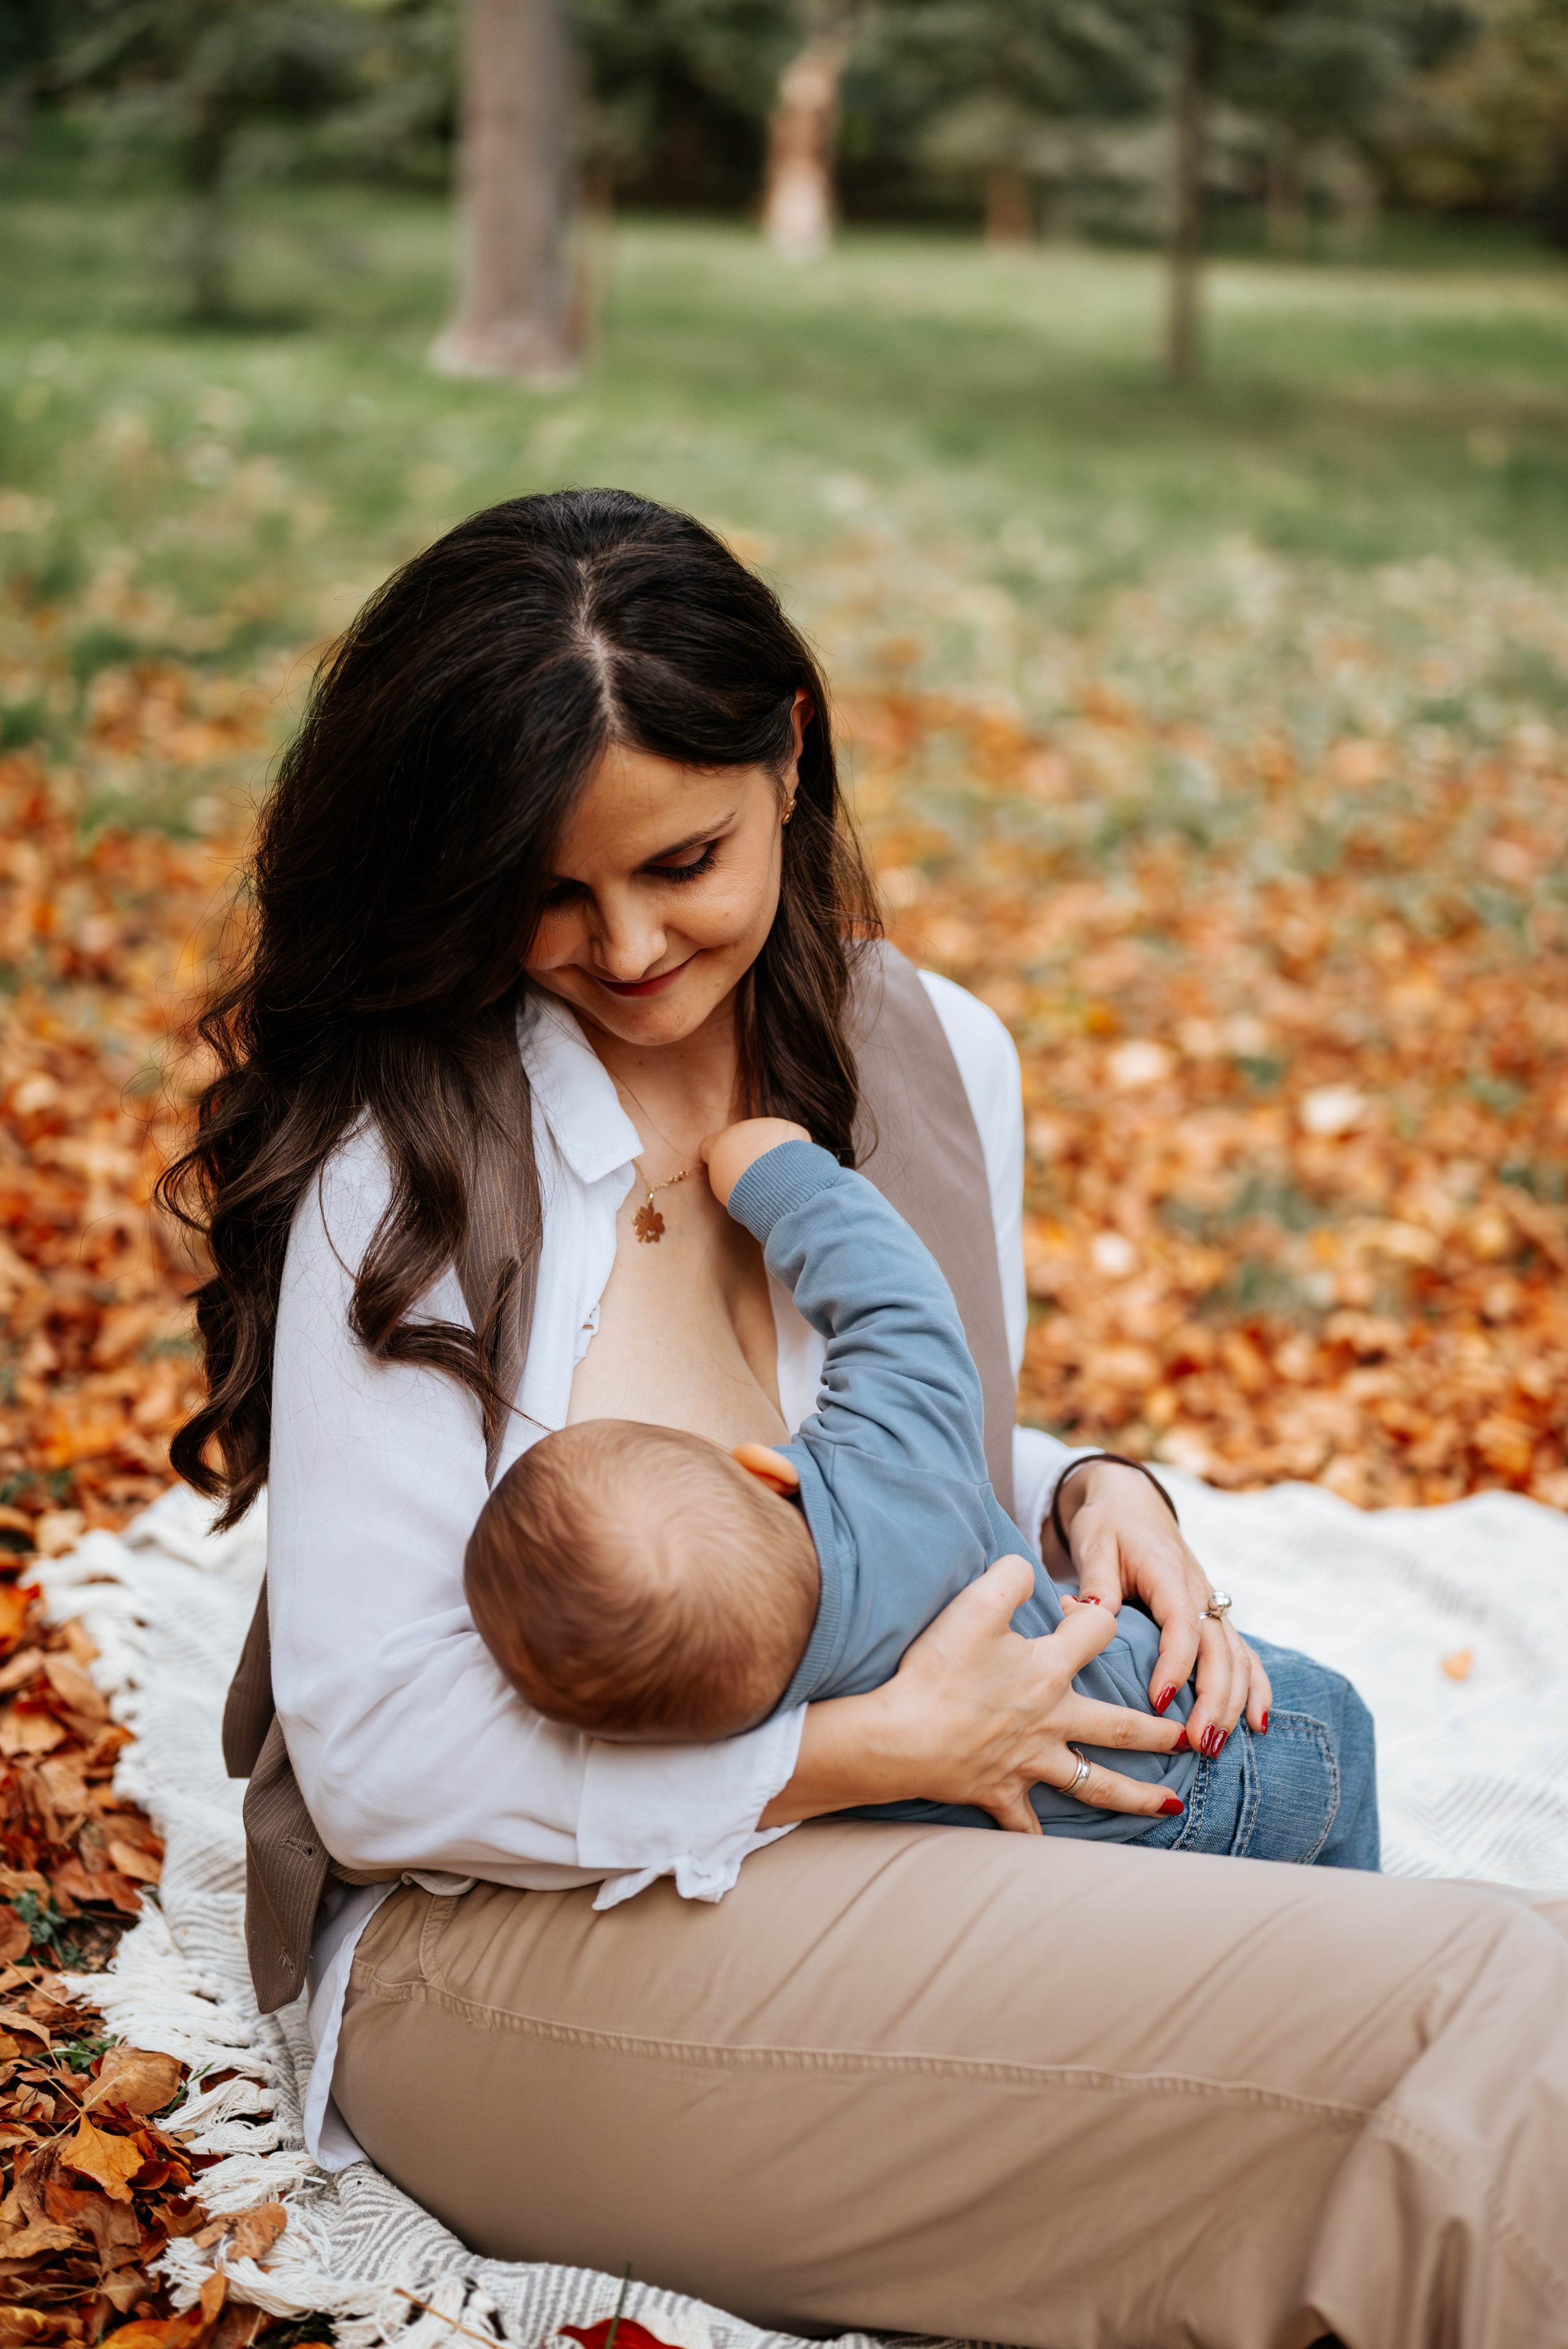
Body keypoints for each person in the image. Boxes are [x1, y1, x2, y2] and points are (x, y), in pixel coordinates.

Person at [167, 489, 1568, 2349]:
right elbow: (378, 1761)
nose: (630, 945)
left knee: (1484, 1973)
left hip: (910, 1835)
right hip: (519, 1946)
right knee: (1476, 2029)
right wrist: (854, 1747)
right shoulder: (407, 1168)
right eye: (552, 888)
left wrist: (1084, 1490)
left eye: (684, 861)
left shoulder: (934, 1058)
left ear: (791, 756)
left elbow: (899, 1443)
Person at [469, 1116, 1378, 1871]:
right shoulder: (890, 1462)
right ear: (762, 1466)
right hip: (1205, 1746)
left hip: (1050, 1859)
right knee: (1342, 1732)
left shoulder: (765, 1721)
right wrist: (778, 1178)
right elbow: (898, 1306)